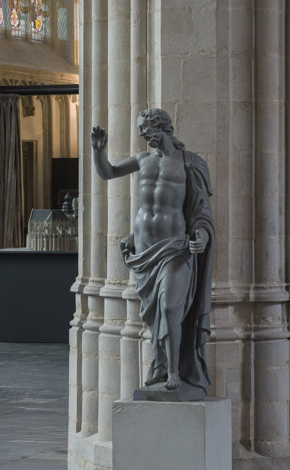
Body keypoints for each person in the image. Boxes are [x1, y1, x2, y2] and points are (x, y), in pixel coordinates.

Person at [91, 108, 214, 397]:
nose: (142, 134)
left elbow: (201, 211)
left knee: (171, 307)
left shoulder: (190, 163)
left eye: (144, 128)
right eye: (140, 129)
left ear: (160, 127)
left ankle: (174, 372)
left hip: (175, 248)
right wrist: (98, 151)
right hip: (144, 251)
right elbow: (108, 173)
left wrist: (204, 235)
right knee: (156, 313)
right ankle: (160, 368)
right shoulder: (142, 160)